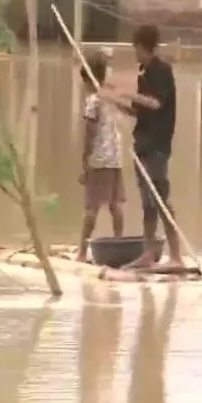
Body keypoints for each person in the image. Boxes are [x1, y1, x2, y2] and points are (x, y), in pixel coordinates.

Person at [109, 25, 183, 269]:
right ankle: (148, 253)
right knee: (147, 202)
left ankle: (176, 256)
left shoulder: (162, 71)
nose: (135, 53)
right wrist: (114, 100)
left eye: (136, 49)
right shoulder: (143, 73)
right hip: (141, 144)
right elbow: (139, 111)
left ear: (143, 47)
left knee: (161, 198)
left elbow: (155, 103)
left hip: (157, 146)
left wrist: (128, 93)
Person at [76, 51, 125, 263]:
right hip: (115, 157)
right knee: (115, 205)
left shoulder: (93, 101)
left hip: (100, 159)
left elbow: (90, 132)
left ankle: (81, 252)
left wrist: (84, 162)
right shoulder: (110, 98)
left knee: (91, 207)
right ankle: (119, 243)